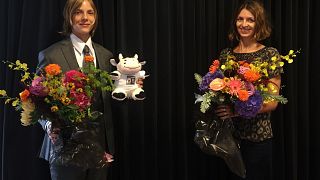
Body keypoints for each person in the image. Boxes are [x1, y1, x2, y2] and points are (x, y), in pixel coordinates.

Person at [37, 0, 114, 179]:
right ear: (69, 16)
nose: (85, 18)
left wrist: (128, 92)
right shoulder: (50, 55)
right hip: (64, 146)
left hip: (100, 147)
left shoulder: (106, 56)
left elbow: (109, 100)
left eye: (90, 12)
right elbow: (37, 100)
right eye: (78, 12)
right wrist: (49, 125)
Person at [215, 0, 282, 179]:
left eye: (250, 20)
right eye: (240, 19)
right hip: (229, 139)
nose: (244, 24)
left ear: (258, 23)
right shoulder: (226, 55)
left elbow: (272, 103)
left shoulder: (269, 54)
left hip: (258, 138)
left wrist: (236, 111)